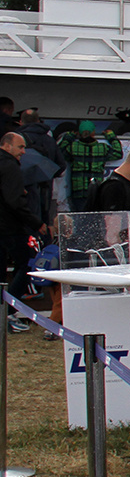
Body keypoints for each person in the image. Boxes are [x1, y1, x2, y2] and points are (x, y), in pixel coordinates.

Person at [0, 133, 45, 333]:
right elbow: (13, 201)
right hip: (10, 227)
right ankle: (8, 311)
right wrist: (36, 223)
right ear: (7, 146)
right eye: (20, 147)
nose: (23, 152)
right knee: (28, 263)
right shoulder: (10, 166)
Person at [58, 120, 123, 211]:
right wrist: (111, 137)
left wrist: (69, 137)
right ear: (93, 132)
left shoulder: (73, 147)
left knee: (81, 219)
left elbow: (61, 152)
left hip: (78, 192)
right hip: (96, 191)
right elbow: (118, 153)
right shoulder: (102, 148)